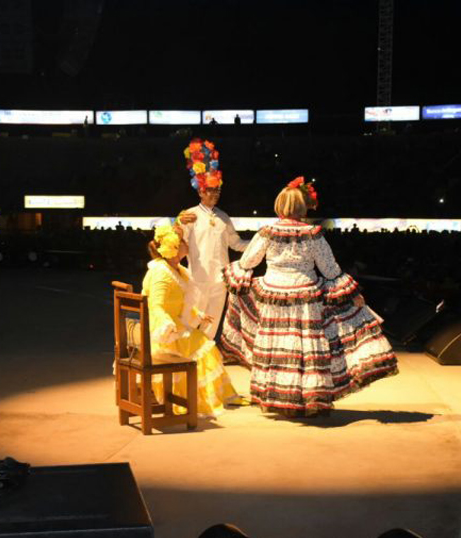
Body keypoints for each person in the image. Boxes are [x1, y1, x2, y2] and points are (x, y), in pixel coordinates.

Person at [221, 178, 398, 417]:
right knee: (305, 350)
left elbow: (247, 262)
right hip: (306, 295)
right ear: (303, 207)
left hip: (274, 293)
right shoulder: (313, 234)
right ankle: (309, 398)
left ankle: (278, 397)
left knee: (279, 347)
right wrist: (352, 295)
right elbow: (330, 269)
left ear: (280, 205)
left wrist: (241, 279)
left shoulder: (267, 232)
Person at [142, 223, 244, 416]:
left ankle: (202, 396)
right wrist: (167, 326)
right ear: (173, 247)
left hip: (175, 325)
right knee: (204, 347)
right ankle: (190, 399)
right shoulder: (161, 272)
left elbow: (181, 301)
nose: (185, 242)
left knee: (204, 343)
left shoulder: (176, 269)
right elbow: (156, 305)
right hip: (163, 332)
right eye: (181, 240)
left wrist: (197, 314)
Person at [176, 138, 249, 339]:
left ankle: (204, 355)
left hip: (220, 281)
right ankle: (183, 354)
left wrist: (261, 241)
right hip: (197, 279)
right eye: (211, 189)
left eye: (218, 190)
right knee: (190, 321)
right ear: (201, 191)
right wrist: (177, 224)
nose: (215, 194)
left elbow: (236, 244)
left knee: (212, 324)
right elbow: (178, 243)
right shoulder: (190, 215)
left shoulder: (223, 217)